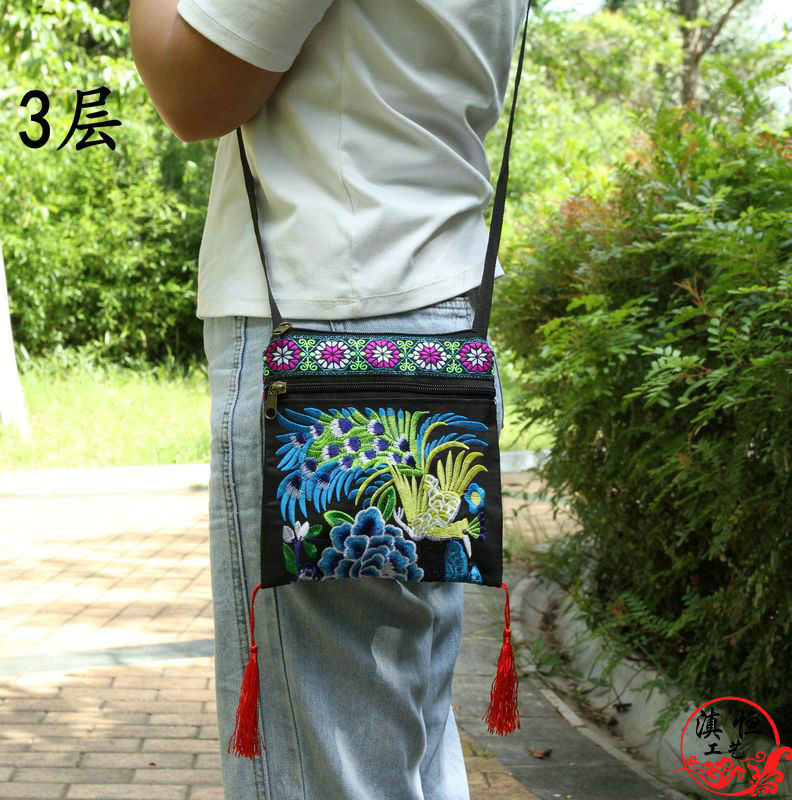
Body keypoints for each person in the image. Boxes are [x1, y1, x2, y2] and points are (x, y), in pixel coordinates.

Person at [130, 1, 527, 797]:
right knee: (400, 741)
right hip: (435, 328)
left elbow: (191, 92)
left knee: (331, 763)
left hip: (325, 339)